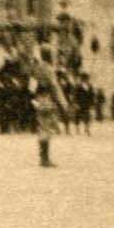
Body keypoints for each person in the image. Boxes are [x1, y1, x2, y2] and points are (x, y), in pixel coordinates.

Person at [26, 39, 71, 168]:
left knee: (41, 127)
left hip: (38, 99)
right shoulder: (49, 69)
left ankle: (42, 157)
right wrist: (63, 103)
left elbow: (31, 86)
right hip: (47, 99)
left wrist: (33, 98)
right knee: (47, 128)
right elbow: (54, 86)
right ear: (49, 54)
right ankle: (45, 158)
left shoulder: (36, 68)